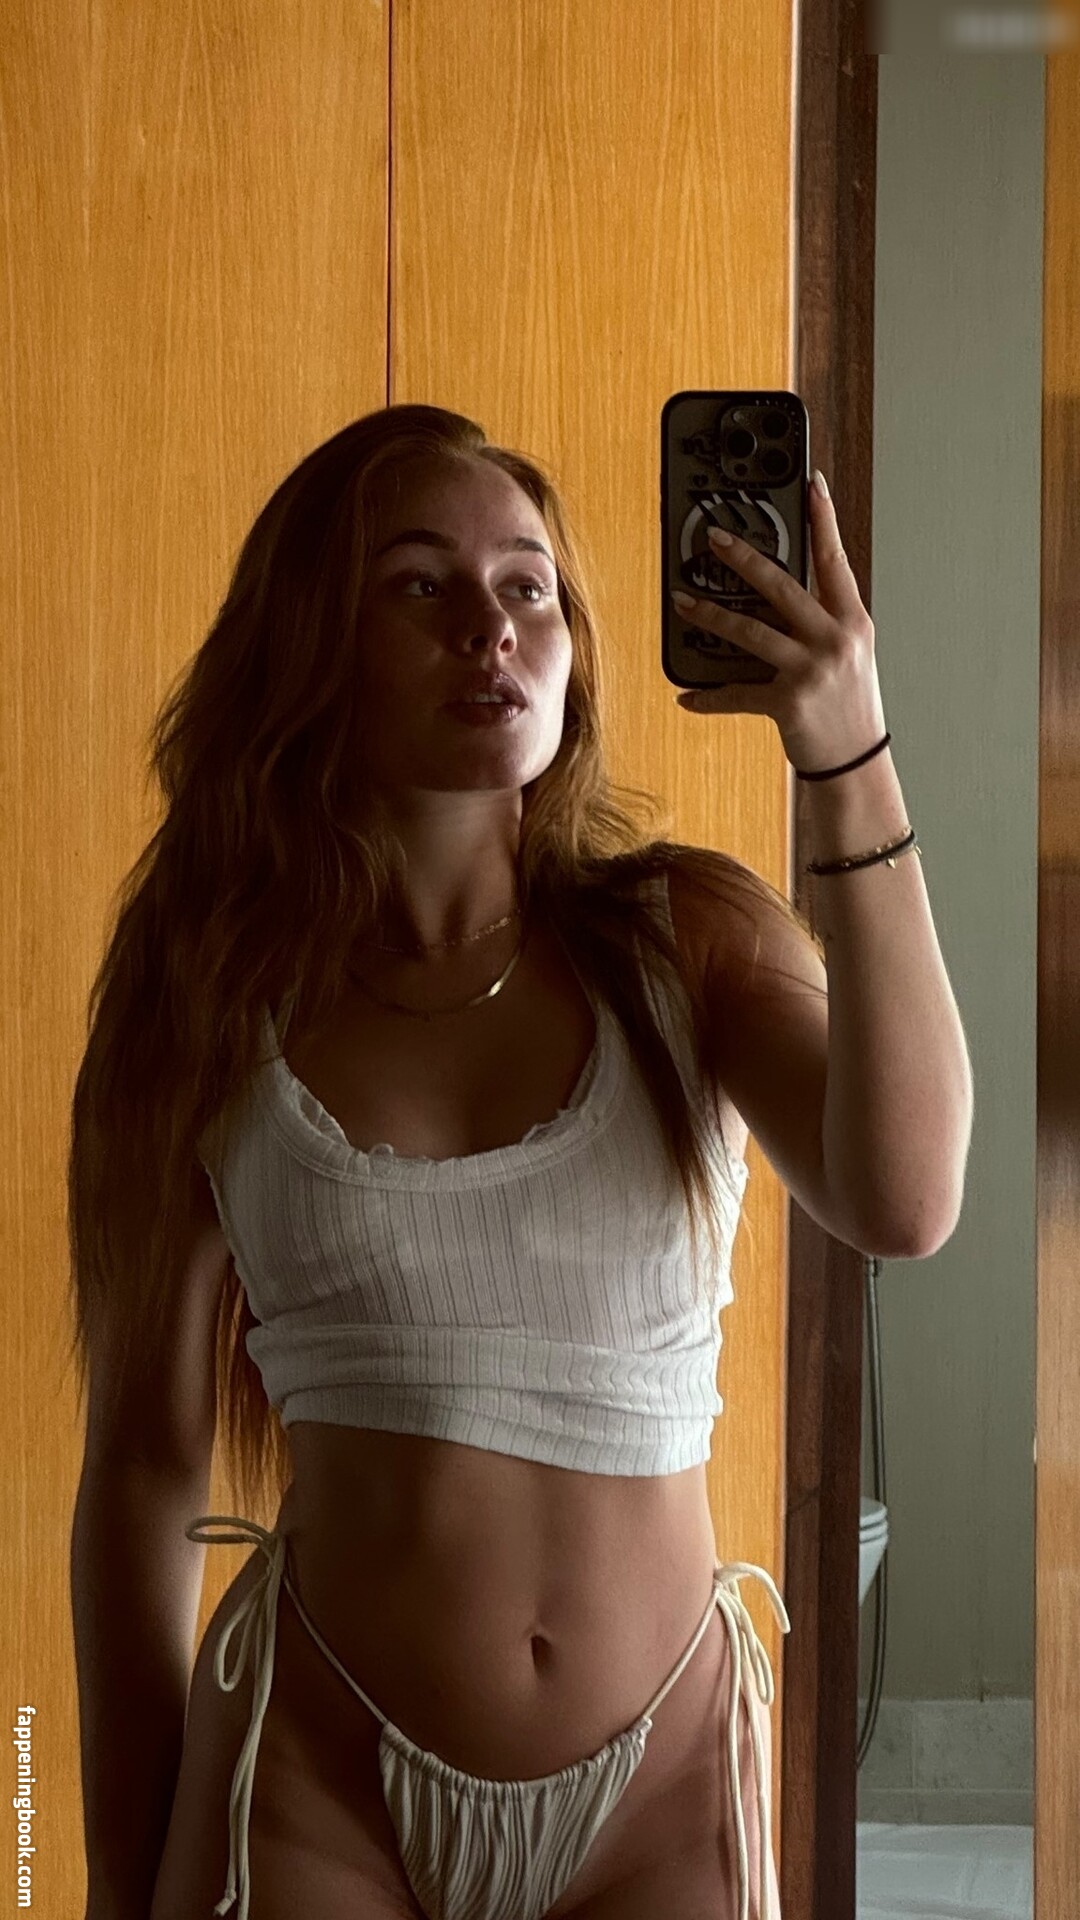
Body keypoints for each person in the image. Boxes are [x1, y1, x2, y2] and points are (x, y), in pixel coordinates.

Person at [72, 404, 922, 1920]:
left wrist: (849, 755)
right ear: (309, 642)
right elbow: (144, 1468)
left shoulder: (687, 938)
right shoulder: (203, 991)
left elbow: (904, 1198)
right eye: (420, 584)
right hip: (313, 1776)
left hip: (662, 1789)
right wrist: (107, 1880)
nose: (491, 627)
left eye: (528, 584)